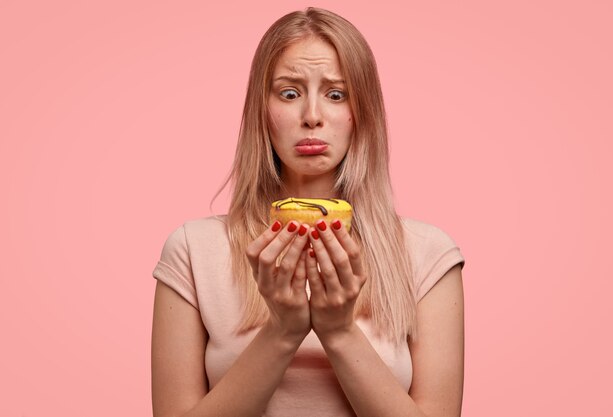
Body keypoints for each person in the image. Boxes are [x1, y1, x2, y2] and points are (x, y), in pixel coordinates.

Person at [151, 7, 465, 417]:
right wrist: (283, 330)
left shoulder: (427, 254)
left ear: (362, 113)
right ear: (262, 112)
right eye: (290, 92)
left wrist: (338, 330)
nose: (312, 117)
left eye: (336, 94)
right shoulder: (193, 250)